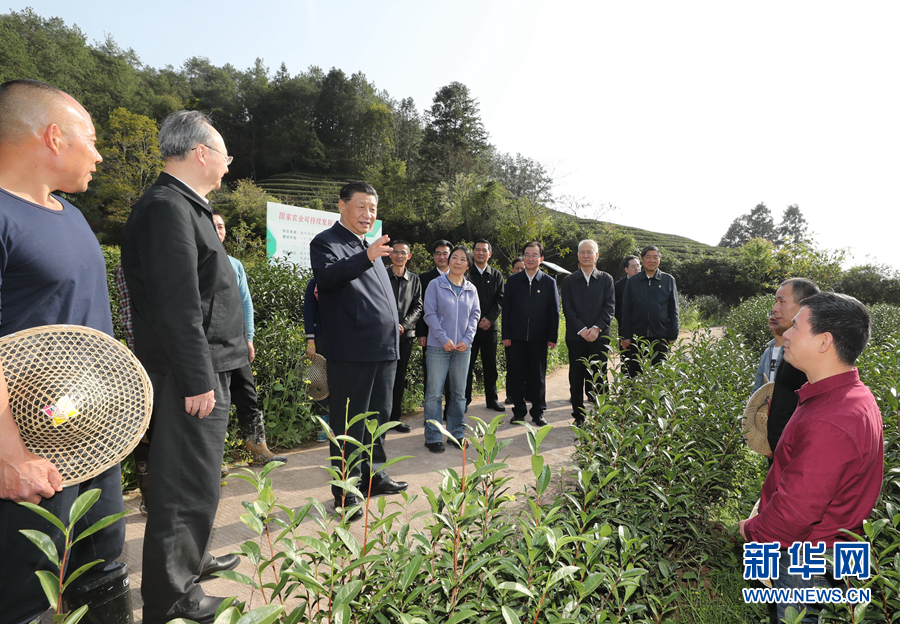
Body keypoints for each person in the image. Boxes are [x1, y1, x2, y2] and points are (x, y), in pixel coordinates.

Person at [0, 79, 131, 624]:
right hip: (29, 452)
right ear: (53, 136)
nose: (99, 155)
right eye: (91, 138)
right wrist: (8, 453)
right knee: (30, 594)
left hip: (90, 439)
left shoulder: (71, 216)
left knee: (103, 575)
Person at [121, 110, 246, 623]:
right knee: (182, 487)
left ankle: (187, 569)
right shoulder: (167, 208)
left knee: (197, 481)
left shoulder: (184, 207)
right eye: (224, 153)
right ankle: (171, 597)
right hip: (187, 375)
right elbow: (178, 306)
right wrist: (197, 379)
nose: (227, 164)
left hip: (202, 367)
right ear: (200, 152)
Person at [739, 292, 883, 623]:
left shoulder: (831, 419)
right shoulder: (845, 397)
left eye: (797, 327)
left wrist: (750, 531)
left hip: (806, 557)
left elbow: (795, 513)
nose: (786, 333)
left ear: (823, 342)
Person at [310, 182, 408, 523]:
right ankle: (345, 492)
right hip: (352, 352)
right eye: (362, 207)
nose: (369, 215)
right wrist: (365, 256)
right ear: (342, 206)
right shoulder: (327, 243)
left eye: (373, 210)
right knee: (349, 425)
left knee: (377, 419)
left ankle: (373, 476)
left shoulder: (369, 246)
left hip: (383, 350)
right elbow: (328, 279)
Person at [212, 211, 287, 465]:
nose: (218, 230)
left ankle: (258, 447)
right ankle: (214, 460)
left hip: (237, 342)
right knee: (215, 403)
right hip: (211, 346)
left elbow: (246, 303)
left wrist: (249, 337)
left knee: (248, 396)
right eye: (213, 226)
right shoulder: (195, 260)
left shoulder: (235, 264)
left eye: (221, 226)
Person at [423, 246, 480, 452]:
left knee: (458, 394)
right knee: (434, 394)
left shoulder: (471, 289)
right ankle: (433, 436)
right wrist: (443, 338)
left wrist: (468, 338)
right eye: (454, 257)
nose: (457, 261)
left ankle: (456, 434)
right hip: (439, 347)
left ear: (468, 264)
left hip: (463, 349)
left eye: (462, 259)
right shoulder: (435, 284)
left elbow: (475, 315)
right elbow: (429, 314)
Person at [502, 241, 560, 426]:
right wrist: (506, 334)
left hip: (539, 338)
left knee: (538, 377)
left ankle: (538, 412)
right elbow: (507, 310)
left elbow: (554, 312)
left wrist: (552, 337)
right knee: (517, 376)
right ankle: (518, 412)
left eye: (534, 255)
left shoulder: (549, 282)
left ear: (541, 259)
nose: (530, 258)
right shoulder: (512, 281)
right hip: (516, 338)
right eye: (527, 254)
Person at [764, 278, 820, 458]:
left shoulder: (807, 355)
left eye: (781, 301)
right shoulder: (791, 351)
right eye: (775, 302)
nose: (775, 308)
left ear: (803, 306)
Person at [561, 240, 615, 425]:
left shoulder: (606, 279)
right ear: (578, 256)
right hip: (576, 338)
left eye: (589, 252)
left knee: (599, 375)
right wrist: (582, 330)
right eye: (582, 252)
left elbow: (609, 307)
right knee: (576, 377)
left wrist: (596, 328)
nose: (585, 255)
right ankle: (579, 416)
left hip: (599, 336)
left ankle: (602, 416)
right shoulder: (569, 280)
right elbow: (567, 309)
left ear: (596, 255)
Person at [619, 245, 679, 377]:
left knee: (660, 373)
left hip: (660, 335)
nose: (652, 260)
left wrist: (673, 333)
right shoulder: (633, 281)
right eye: (648, 257)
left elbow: (673, 309)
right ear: (642, 259)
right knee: (635, 373)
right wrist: (626, 335)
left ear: (660, 259)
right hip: (637, 336)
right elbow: (626, 309)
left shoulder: (668, 280)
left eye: (655, 257)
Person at [465, 239, 506, 412]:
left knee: (490, 366)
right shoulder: (466, 273)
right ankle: (464, 400)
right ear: (473, 252)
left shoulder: (496, 275)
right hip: (468, 329)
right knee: (466, 365)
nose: (480, 253)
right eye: (477, 249)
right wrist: (474, 321)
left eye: (484, 250)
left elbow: (500, 299)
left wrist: (489, 319)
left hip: (490, 328)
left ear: (490, 254)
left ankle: (492, 399)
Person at [386, 240, 423, 433]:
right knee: (383, 378)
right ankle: (380, 419)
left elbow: (418, 306)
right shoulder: (381, 275)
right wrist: (390, 324)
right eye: (396, 252)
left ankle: (395, 418)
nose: (399, 256)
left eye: (403, 253)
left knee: (400, 377)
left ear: (409, 257)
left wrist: (405, 325)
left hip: (405, 336)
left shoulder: (414, 280)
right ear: (390, 254)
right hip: (382, 336)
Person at [416, 240, 453, 416]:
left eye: (445, 253)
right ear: (433, 256)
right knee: (432, 377)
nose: (441, 256)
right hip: (431, 336)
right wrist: (421, 333)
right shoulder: (423, 278)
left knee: (453, 379)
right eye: (438, 253)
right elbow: (420, 307)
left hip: (454, 337)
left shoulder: (460, 277)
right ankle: (431, 414)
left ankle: (450, 412)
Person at [304, 278, 330, 442]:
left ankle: (339, 423)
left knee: (340, 381)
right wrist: (310, 341)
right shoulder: (314, 283)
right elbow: (308, 311)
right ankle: (323, 422)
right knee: (319, 383)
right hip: (320, 338)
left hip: (343, 340)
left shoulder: (347, 279)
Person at [504, 256, 525, 405]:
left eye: (521, 268)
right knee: (512, 366)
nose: (519, 270)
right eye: (516, 268)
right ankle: (511, 394)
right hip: (513, 332)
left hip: (530, 333)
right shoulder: (510, 284)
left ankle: (527, 393)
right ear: (512, 270)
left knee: (529, 367)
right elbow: (506, 310)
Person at [753, 313, 785, 394]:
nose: (773, 317)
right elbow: (758, 386)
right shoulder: (767, 352)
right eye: (771, 314)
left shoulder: (793, 351)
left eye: (778, 315)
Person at [613, 255, 641, 328]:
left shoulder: (646, 283)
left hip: (642, 327)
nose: (637, 269)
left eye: (638, 266)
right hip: (625, 326)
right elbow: (615, 307)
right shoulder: (618, 285)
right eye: (633, 266)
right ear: (626, 269)